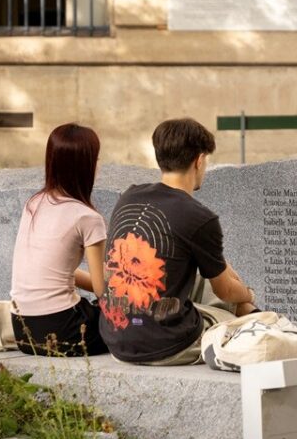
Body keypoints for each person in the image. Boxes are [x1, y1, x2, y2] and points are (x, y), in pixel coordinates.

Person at [98, 118, 256, 365]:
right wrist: (249, 293)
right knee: (239, 321)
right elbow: (224, 290)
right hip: (166, 346)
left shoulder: (129, 195)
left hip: (116, 339)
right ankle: (257, 314)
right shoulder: (199, 217)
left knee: (204, 270)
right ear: (199, 160)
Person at [9, 123, 108, 357]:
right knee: (131, 320)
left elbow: (54, 271)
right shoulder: (88, 217)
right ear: (86, 165)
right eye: (96, 159)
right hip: (65, 330)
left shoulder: (33, 204)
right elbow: (101, 289)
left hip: (23, 330)